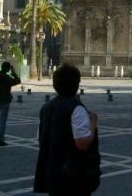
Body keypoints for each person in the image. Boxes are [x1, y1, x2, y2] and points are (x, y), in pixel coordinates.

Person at [34, 63, 100, 196]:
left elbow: (40, 137)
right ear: (76, 85)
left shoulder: (46, 108)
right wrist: (93, 123)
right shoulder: (76, 108)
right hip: (73, 177)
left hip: (53, 174)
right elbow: (83, 144)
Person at [0, 61, 21, 146]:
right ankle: (1, 140)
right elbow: (17, 81)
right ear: (8, 68)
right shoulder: (6, 78)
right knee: (2, 121)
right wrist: (13, 72)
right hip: (4, 101)